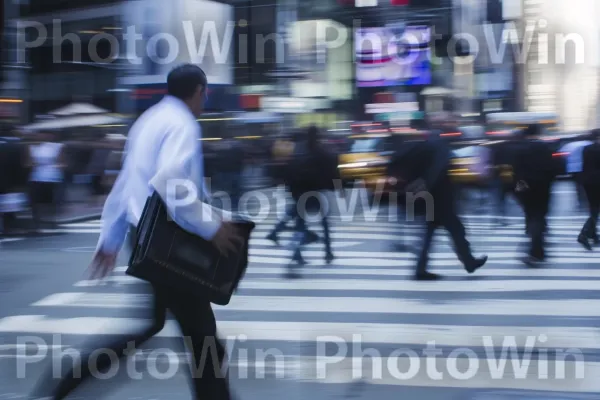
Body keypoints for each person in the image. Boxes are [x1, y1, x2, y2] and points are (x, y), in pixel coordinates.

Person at [31, 64, 243, 400]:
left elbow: (125, 183)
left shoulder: (147, 121)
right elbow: (170, 180)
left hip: (144, 237)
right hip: (168, 240)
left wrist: (111, 239)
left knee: (156, 326)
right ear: (201, 90)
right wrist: (212, 226)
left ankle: (67, 383)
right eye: (206, 94)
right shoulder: (182, 124)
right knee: (202, 338)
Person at [388, 132, 488, 281]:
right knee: (456, 230)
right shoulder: (441, 150)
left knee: (429, 234)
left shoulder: (421, 148)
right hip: (440, 199)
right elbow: (436, 172)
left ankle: (422, 268)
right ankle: (468, 262)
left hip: (427, 199)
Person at [511, 124, 559, 265]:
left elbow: (516, 172)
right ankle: (538, 249)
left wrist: (519, 188)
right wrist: (549, 182)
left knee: (532, 216)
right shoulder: (545, 148)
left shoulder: (520, 149)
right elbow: (553, 168)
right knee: (539, 216)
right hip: (543, 187)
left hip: (526, 187)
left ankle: (536, 250)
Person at [578, 129, 600, 249]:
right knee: (596, 210)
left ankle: (594, 235)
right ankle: (584, 234)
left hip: (587, 181)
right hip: (598, 182)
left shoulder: (586, 149)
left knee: (594, 208)